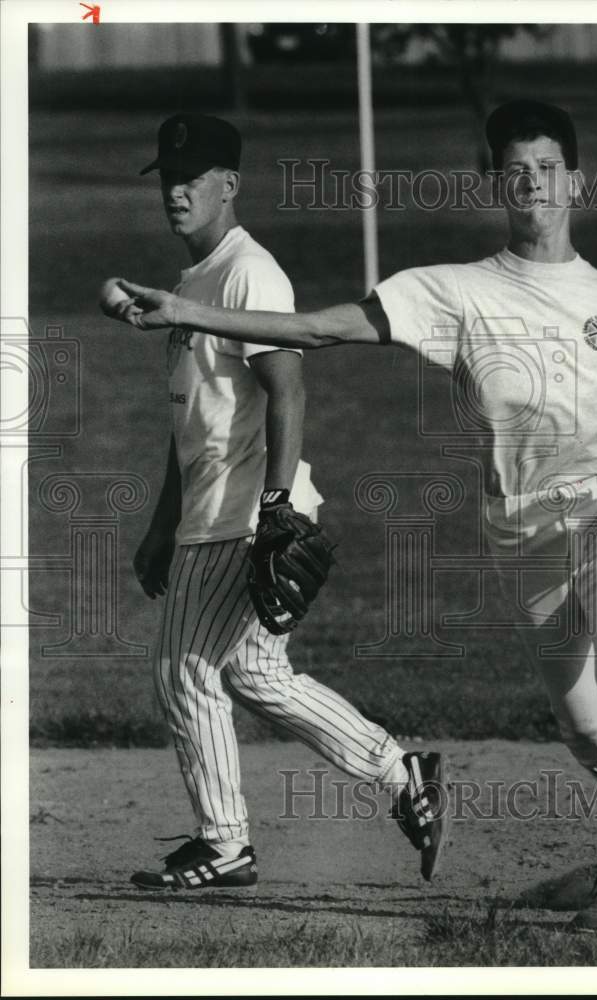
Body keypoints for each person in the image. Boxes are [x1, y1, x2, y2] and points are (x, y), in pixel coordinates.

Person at [114, 100, 597, 930]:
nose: (530, 182)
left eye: (545, 167)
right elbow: (314, 332)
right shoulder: (457, 291)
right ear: (494, 183)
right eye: (514, 169)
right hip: (522, 537)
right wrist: (186, 313)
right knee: (581, 723)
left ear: (575, 180)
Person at [116, 113, 449, 891]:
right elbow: (189, 423)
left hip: (244, 513)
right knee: (258, 677)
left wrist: (274, 506)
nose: (176, 190)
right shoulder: (193, 284)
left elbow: (287, 390)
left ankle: (225, 842)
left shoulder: (247, 274)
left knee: (183, 669)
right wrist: (161, 524)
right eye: (168, 177)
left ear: (229, 186)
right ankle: (404, 775)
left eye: (192, 177)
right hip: (208, 510)